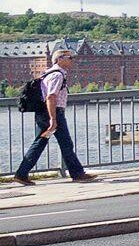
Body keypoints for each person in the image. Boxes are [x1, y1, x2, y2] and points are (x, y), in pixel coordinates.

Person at [11, 45, 95, 185]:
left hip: (43, 113)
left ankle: (21, 174)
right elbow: (51, 97)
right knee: (66, 144)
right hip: (53, 113)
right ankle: (77, 174)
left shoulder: (48, 73)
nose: (72, 60)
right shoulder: (57, 75)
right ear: (59, 59)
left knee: (40, 142)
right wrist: (53, 119)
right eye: (69, 57)